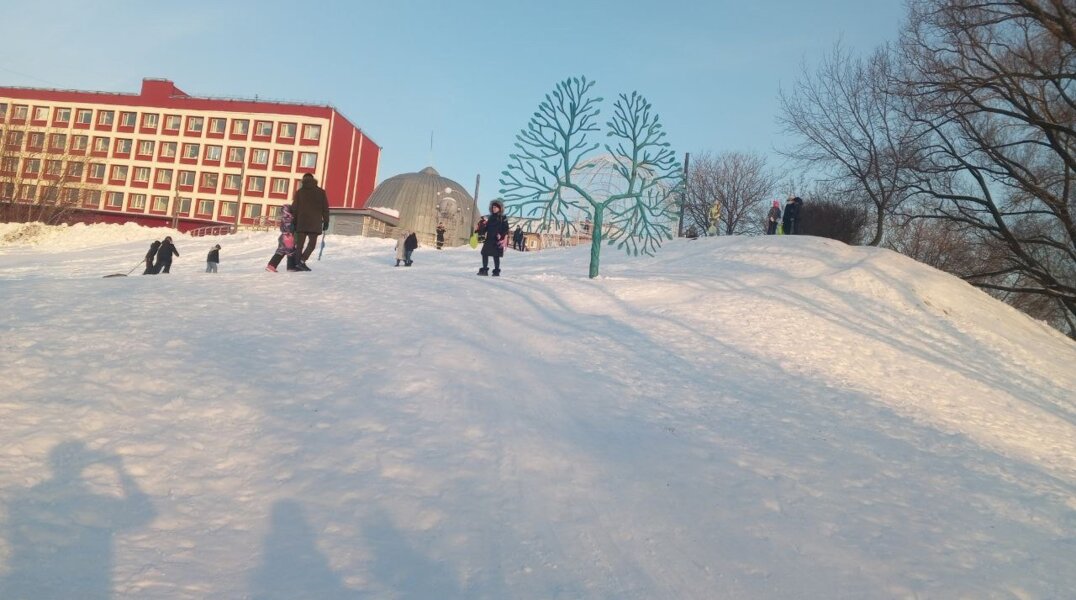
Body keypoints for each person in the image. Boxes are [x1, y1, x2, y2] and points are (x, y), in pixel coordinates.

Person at [291, 173, 329, 270]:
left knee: (299, 245)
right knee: (311, 244)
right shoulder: (321, 192)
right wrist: (326, 222)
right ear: (313, 180)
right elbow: (325, 208)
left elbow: (294, 208)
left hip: (301, 222)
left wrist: (293, 222)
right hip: (314, 223)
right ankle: (302, 261)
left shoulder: (299, 192)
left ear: (303, 180)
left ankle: (297, 263)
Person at [477, 200, 509, 276]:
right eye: (493, 207)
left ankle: (496, 272)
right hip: (489, 239)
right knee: (484, 253)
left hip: (497, 240)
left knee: (496, 256)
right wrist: (481, 228)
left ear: (499, 208)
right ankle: (484, 270)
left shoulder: (503, 218)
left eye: (495, 207)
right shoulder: (490, 217)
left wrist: (501, 235)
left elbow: (506, 228)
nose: (494, 209)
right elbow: (486, 228)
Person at [266, 205, 298, 272]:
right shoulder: (290, 218)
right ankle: (291, 267)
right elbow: (291, 228)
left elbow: (282, 227)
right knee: (291, 252)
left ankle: (271, 265)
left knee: (280, 251)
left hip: (282, 237)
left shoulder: (283, 218)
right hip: (288, 237)